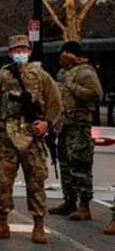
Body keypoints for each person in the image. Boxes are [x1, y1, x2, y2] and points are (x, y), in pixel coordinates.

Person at [0, 34, 62, 244]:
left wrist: (47, 123)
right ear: (10, 53)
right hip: (7, 138)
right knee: (3, 182)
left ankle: (38, 225)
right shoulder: (1, 78)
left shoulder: (42, 77)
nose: (20, 53)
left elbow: (56, 103)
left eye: (23, 50)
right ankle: (2, 223)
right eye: (16, 50)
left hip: (33, 138)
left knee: (36, 182)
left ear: (29, 51)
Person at [49, 41, 103, 221]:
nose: (61, 58)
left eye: (65, 54)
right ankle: (69, 200)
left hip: (79, 126)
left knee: (80, 165)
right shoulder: (63, 72)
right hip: (64, 125)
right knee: (65, 164)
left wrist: (72, 85)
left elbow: (96, 94)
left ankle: (84, 205)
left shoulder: (85, 72)